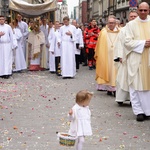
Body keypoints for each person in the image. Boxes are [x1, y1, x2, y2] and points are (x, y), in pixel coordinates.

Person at [124, 2, 150, 121]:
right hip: (136, 58)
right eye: (141, 10)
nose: (143, 12)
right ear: (138, 10)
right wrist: (143, 43)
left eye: (145, 10)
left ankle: (148, 111)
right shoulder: (131, 25)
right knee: (135, 85)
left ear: (149, 10)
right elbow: (127, 43)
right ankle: (139, 111)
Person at [114, 10, 138, 105]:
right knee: (122, 77)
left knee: (135, 80)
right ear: (128, 18)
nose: (133, 18)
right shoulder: (124, 30)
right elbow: (119, 43)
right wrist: (119, 56)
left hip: (136, 57)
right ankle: (121, 98)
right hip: (125, 57)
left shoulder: (141, 29)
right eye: (131, 16)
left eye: (135, 16)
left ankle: (134, 100)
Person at [94, 15, 120, 96]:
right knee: (107, 70)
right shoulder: (103, 32)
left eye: (113, 23)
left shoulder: (120, 31)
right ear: (107, 23)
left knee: (116, 71)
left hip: (117, 55)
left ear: (116, 23)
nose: (111, 24)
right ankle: (108, 88)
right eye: (109, 23)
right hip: (106, 55)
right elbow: (99, 44)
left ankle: (116, 89)